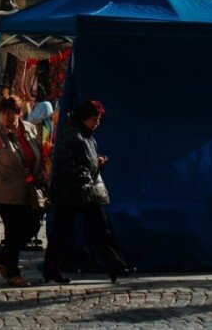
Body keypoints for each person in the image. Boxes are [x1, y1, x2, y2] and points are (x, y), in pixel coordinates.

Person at [45, 98, 129, 283]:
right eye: (94, 119)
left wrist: (97, 163)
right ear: (84, 118)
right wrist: (88, 170)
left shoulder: (88, 135)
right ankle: (51, 269)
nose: (97, 123)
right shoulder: (72, 133)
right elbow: (64, 162)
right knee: (62, 232)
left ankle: (116, 266)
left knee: (101, 229)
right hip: (70, 192)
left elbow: (85, 161)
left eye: (98, 119)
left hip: (86, 192)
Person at [0, 95, 45, 287]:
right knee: (14, 230)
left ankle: (2, 258)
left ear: (19, 113)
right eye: (3, 113)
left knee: (33, 226)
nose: (7, 117)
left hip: (29, 189)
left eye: (11, 113)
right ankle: (13, 273)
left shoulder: (31, 130)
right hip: (5, 190)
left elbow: (37, 154)